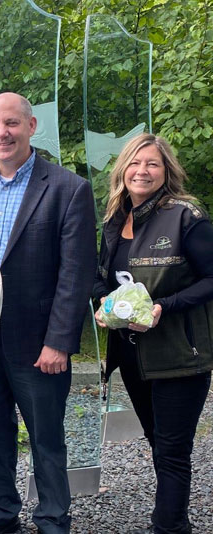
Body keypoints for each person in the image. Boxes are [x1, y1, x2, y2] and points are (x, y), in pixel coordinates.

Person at [0, 92, 97, 534]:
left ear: (31, 127)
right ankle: (0, 512)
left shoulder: (68, 188)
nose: (1, 133)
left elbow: (76, 272)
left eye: (11, 123)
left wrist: (60, 342)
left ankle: (52, 517)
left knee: (45, 437)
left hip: (38, 342)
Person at [93, 134, 213, 534]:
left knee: (174, 451)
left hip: (180, 352)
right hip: (131, 354)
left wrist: (166, 307)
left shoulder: (186, 216)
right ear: (122, 169)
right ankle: (175, 522)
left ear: (166, 172)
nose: (142, 171)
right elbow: (101, 280)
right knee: (159, 445)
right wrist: (104, 306)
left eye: (152, 164)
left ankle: (170, 526)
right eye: (135, 163)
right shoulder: (114, 219)